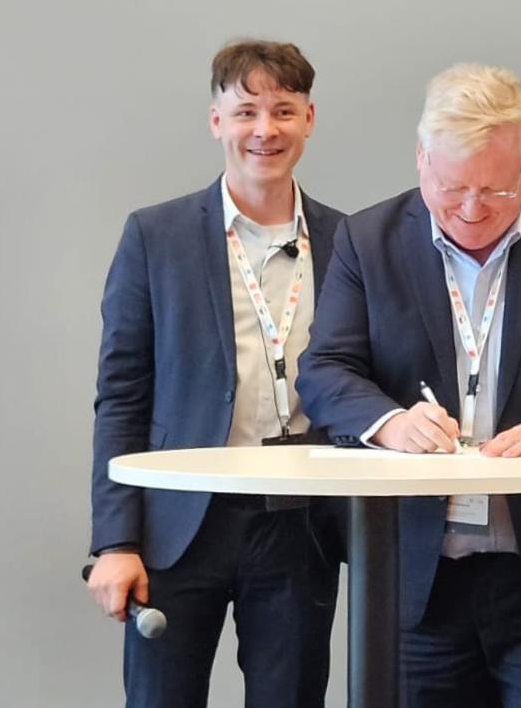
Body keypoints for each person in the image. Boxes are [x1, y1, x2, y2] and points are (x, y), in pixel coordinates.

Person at [297, 63, 521, 708]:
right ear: (421, 160)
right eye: (454, 186)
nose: (472, 209)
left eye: (497, 190)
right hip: (415, 577)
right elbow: (326, 368)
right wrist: (387, 422)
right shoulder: (368, 240)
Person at [86, 39, 344, 708]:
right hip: (178, 524)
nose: (266, 130)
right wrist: (115, 539)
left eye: (283, 111)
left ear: (309, 119)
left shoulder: (350, 242)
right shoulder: (155, 235)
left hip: (300, 523)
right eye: (246, 111)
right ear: (216, 121)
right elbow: (120, 397)